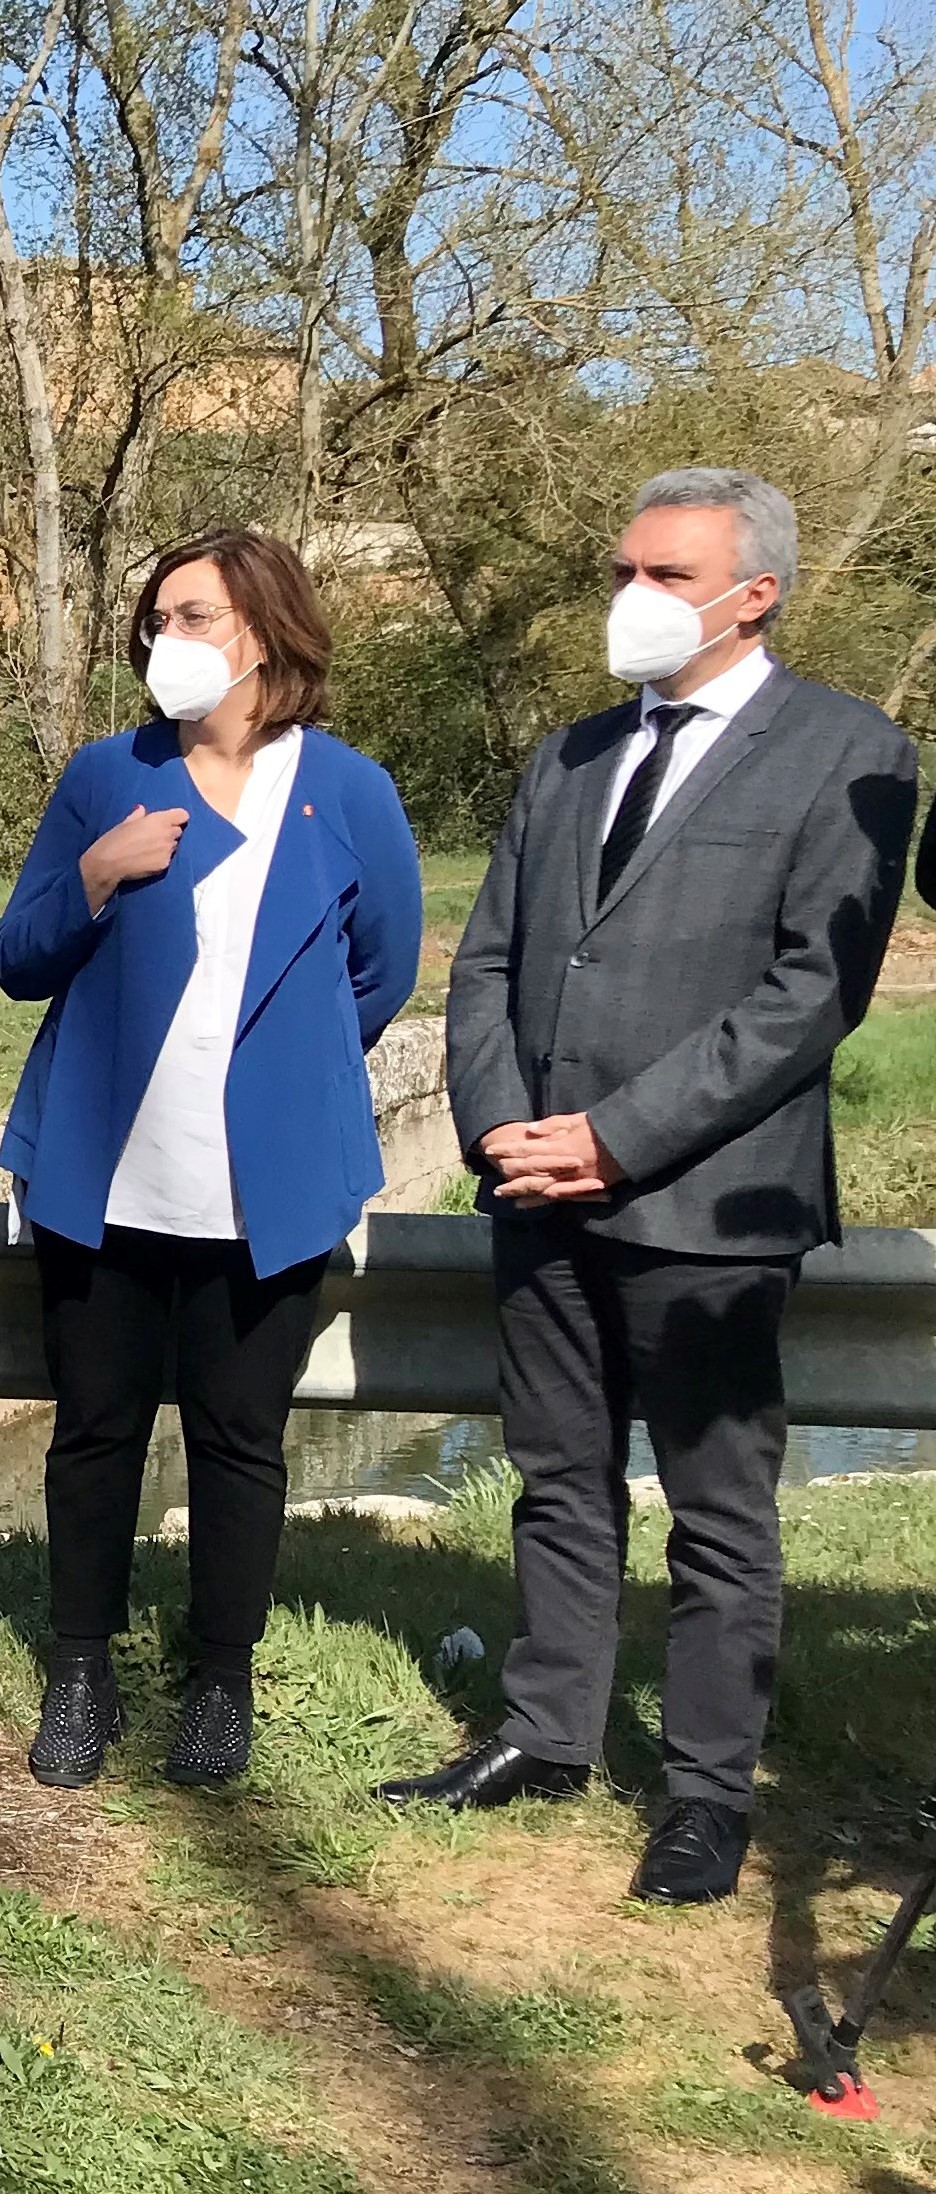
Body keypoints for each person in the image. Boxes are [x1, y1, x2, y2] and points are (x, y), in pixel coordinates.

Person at [378, 469, 917, 1904]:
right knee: (557, 1478)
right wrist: (502, 1125)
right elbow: (487, 956)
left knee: (716, 1503)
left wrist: (614, 1135)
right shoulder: (568, 754)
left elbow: (815, 992)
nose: (634, 596)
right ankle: (549, 1732)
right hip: (535, 1187)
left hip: (707, 1194)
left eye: (668, 575)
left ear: (756, 594)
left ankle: (703, 1789)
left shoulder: (847, 753)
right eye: (626, 567)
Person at [0, 528, 422, 1789]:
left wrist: (282, 1078)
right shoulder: (101, 774)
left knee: (240, 1439)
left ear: (264, 632)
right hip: (105, 1172)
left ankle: (218, 1681)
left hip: (266, 1188)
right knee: (94, 1428)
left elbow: (376, 974)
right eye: (153, 619)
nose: (158, 641)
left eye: (188, 616)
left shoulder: (347, 791)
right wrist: (92, 875)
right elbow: (17, 957)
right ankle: (80, 1671)